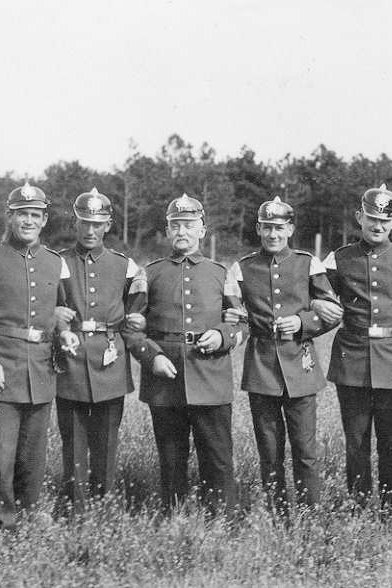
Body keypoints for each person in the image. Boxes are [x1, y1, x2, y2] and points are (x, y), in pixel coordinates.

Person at [129, 194, 247, 513]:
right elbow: (131, 327)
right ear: (167, 231)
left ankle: (222, 519)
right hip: (165, 379)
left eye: (189, 225)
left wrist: (222, 336)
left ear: (202, 230)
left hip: (210, 375)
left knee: (218, 457)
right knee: (171, 458)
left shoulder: (222, 273)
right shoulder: (148, 274)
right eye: (175, 226)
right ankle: (174, 516)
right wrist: (151, 356)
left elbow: (240, 324)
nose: (182, 232)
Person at [0, 182, 66, 528]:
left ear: (44, 219)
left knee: (33, 456)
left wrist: (66, 330)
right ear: (10, 216)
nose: (28, 221)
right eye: (22, 215)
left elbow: (63, 312)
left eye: (35, 215)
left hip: (41, 370)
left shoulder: (55, 263)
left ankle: (30, 516)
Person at [225, 196, 342, 512]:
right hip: (262, 367)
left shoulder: (308, 263)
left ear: (290, 229)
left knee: (305, 450)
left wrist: (302, 322)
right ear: (258, 229)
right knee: (270, 450)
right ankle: (278, 514)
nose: (273, 234)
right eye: (266, 228)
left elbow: (333, 310)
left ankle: (309, 514)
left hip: (300, 365)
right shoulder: (242, 268)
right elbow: (233, 314)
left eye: (279, 228)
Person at [322, 184, 392, 512]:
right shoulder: (338, 259)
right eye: (371, 218)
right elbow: (317, 296)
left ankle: (391, 510)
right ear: (359, 217)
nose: (377, 226)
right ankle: (357, 507)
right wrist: (318, 303)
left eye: (385, 220)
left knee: (391, 443)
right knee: (356, 442)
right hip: (352, 358)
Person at [52, 187, 146, 504]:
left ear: (108, 225)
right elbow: (44, 306)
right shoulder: (59, 263)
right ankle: (75, 507)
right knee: (74, 441)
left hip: (110, 360)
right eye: (84, 223)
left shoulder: (126, 266)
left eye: (98, 223)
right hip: (72, 359)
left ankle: (104, 503)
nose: (90, 230)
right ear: (74, 224)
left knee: (107, 440)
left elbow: (139, 309)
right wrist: (56, 318)